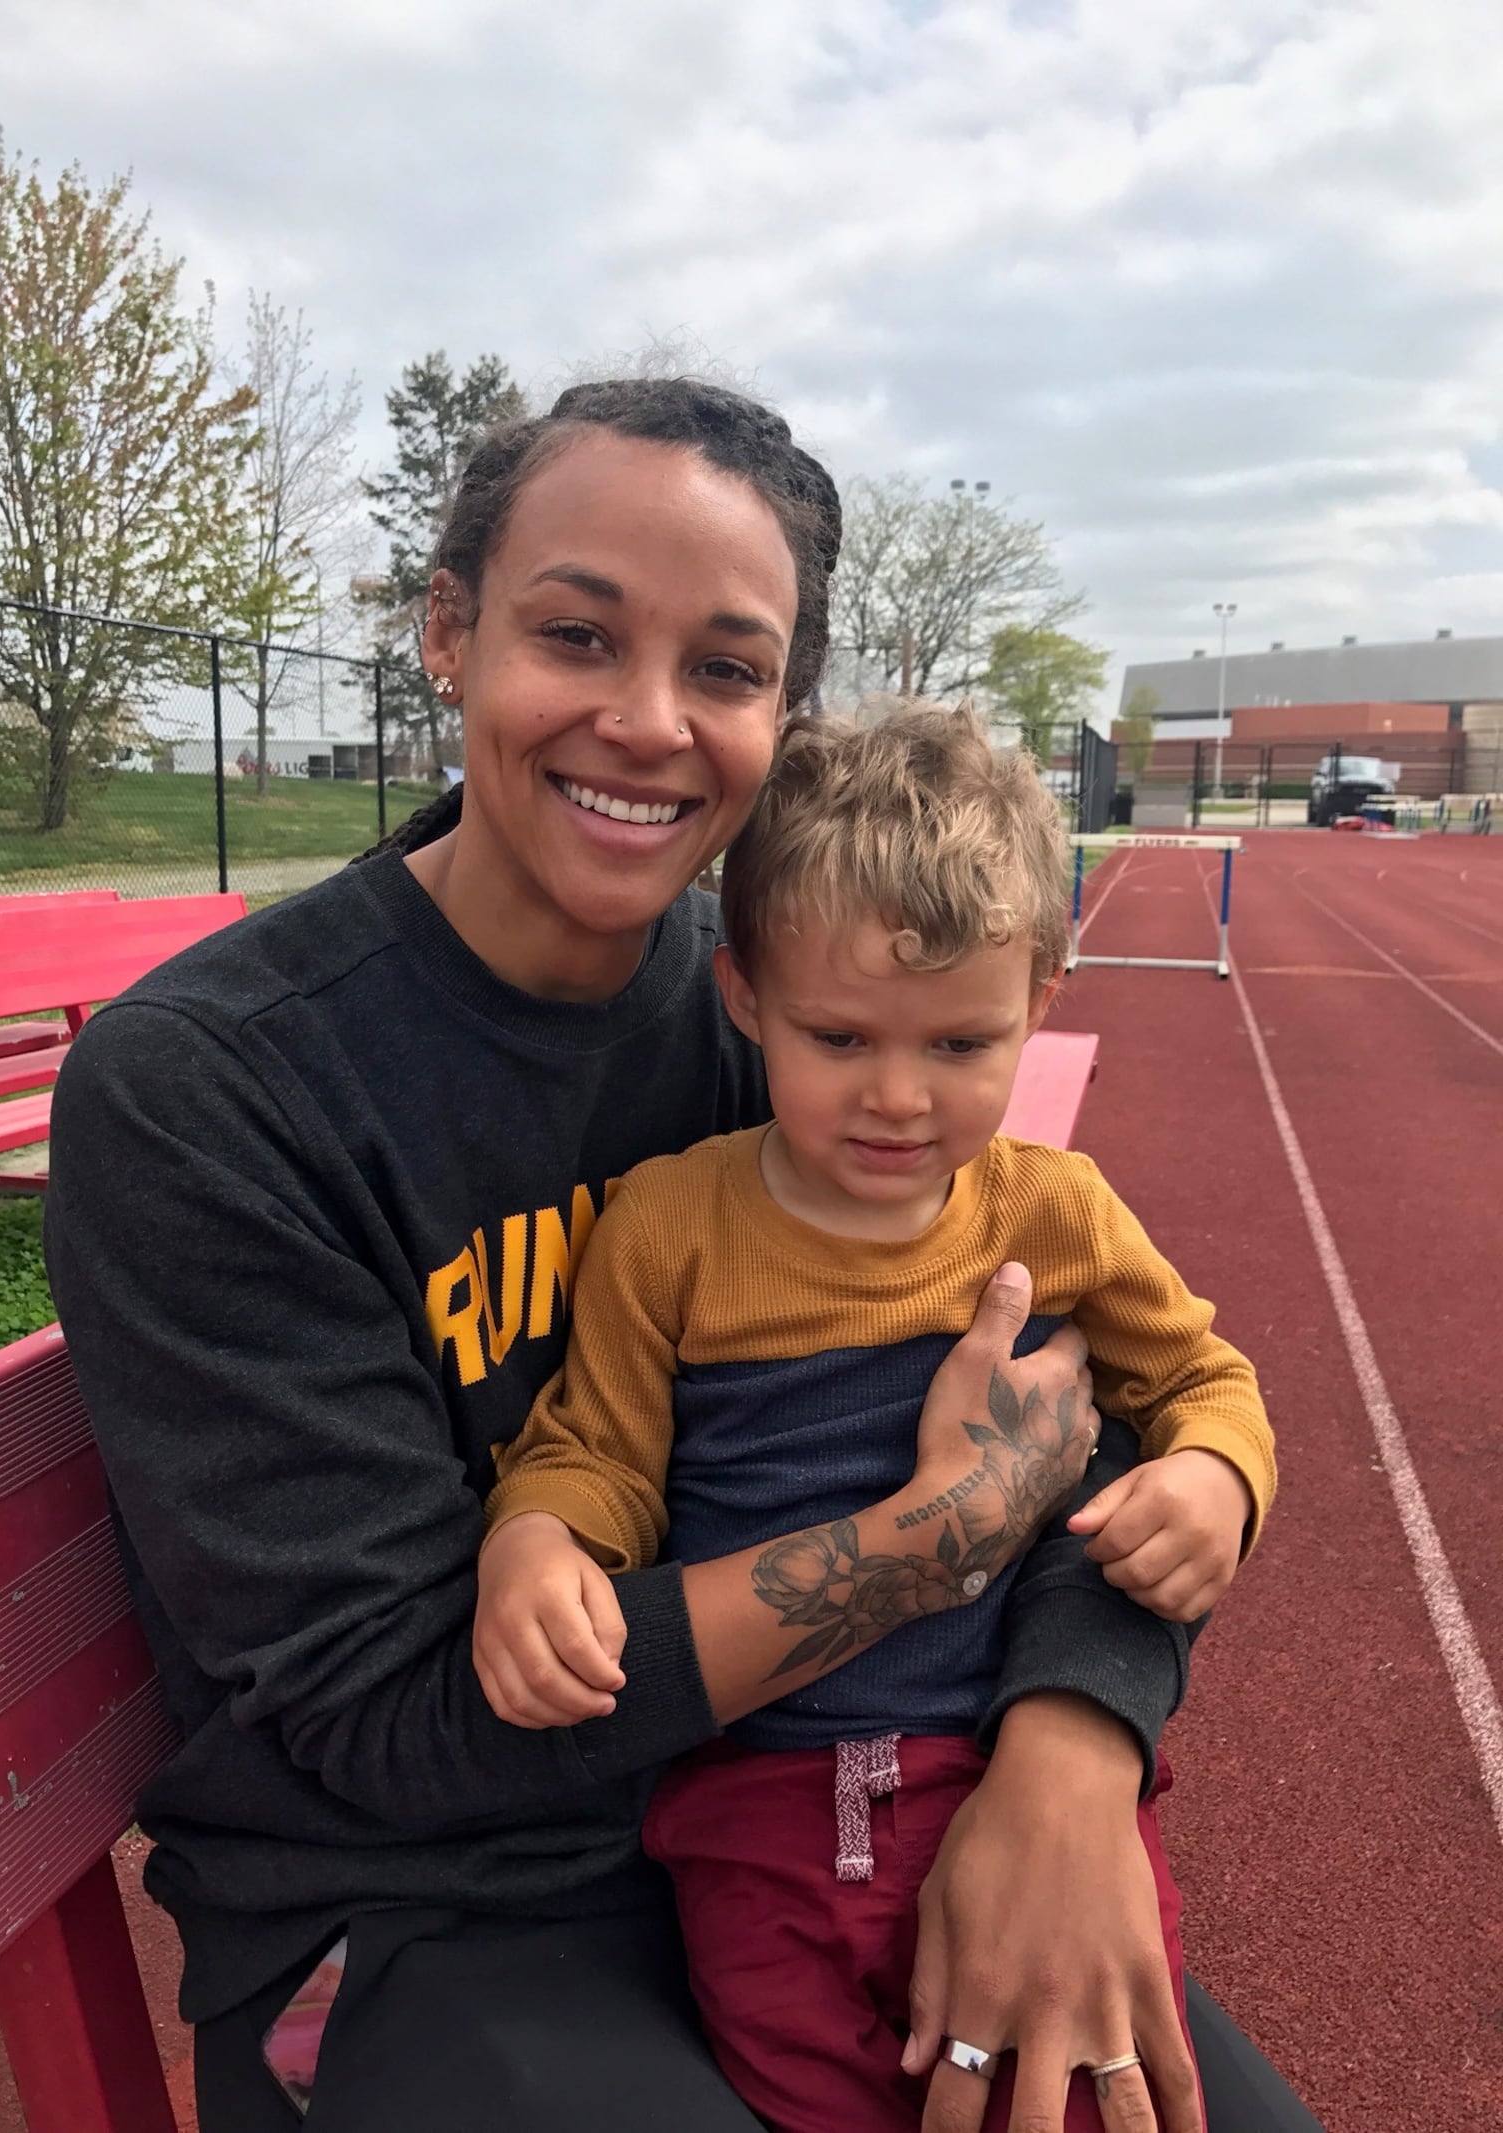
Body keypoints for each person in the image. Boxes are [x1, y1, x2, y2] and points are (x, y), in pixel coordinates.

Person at [43, 376, 1320, 2133]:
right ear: (448, 629)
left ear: (781, 714)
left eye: (724, 668)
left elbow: (1087, 1400)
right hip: (428, 1911)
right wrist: (940, 1538)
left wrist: (1071, 1751)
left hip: (838, 1809)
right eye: (577, 631)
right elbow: (403, 1719)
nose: (645, 720)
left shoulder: (807, 1021)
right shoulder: (219, 1091)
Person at [474, 702, 1275, 2131]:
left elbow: (1204, 1379)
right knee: (806, 2091)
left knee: (1081, 2085)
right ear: (743, 997)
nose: (898, 1098)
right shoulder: (672, 1226)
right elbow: (596, 1451)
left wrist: (1216, 1478)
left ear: (1043, 994)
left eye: (963, 1042)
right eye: (838, 1035)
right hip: (753, 1799)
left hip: (1004, 1769)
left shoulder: (1054, 1209)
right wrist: (538, 1546)